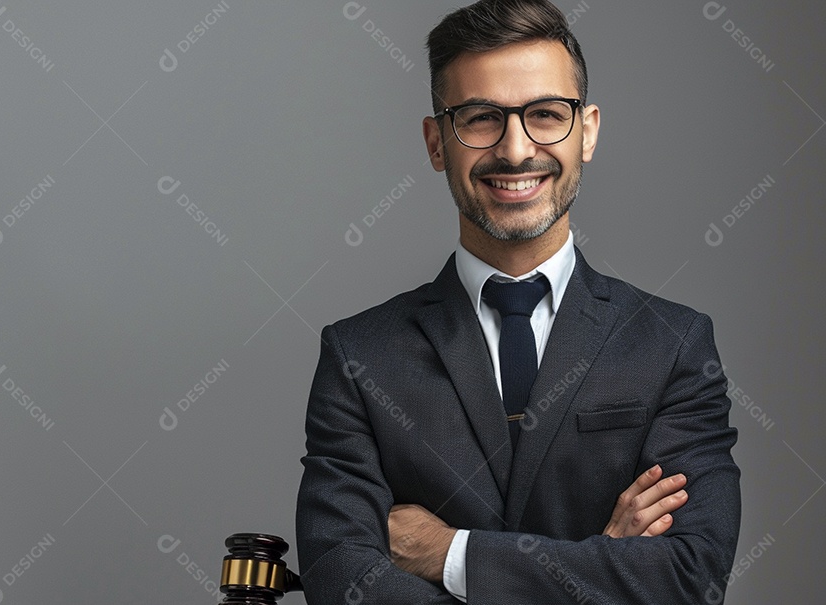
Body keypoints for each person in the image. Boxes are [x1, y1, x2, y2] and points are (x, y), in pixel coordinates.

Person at [294, 1, 741, 603]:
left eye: (546, 115)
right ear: (435, 143)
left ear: (587, 132)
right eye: (480, 119)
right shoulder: (359, 358)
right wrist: (602, 562)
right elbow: (341, 583)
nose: (514, 150)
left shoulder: (672, 346)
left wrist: (452, 553)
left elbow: (688, 576)